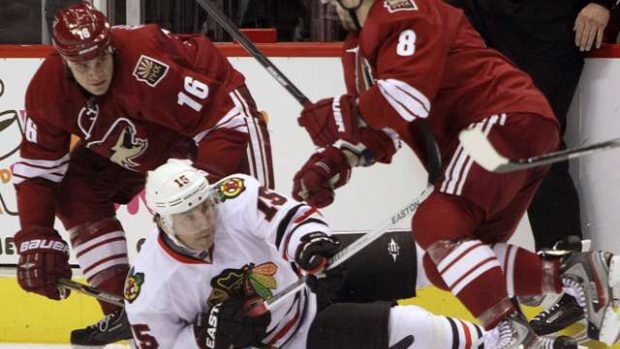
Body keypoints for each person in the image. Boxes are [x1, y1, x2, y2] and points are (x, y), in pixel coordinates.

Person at [292, 0, 620, 347]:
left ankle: (510, 334)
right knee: (449, 260)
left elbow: (407, 98)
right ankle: (576, 275)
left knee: (435, 225)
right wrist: (332, 163)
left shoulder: (404, 10)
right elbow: (383, 130)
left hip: (498, 117)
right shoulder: (356, 48)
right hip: (512, 126)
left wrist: (344, 114)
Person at [12, 2, 273, 347]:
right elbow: (38, 170)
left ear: (110, 48)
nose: (94, 74)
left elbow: (224, 124)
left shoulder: (146, 66)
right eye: (82, 65)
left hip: (215, 116)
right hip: (143, 133)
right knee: (76, 188)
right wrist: (35, 235)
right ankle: (125, 309)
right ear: (63, 61)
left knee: (232, 209)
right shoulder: (47, 92)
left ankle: (263, 301)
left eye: (100, 59)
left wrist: (197, 188)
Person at [125, 158, 501, 349]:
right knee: (416, 328)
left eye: (204, 206)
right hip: (292, 338)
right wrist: (205, 338)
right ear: (162, 221)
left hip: (311, 275)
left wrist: (307, 243)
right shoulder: (148, 289)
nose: (204, 220)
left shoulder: (230, 197)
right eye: (188, 216)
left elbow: (287, 219)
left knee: (427, 254)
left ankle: (531, 292)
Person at [444, 0, 615, 335]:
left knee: (538, 147)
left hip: (551, 23)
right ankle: (494, 285)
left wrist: (601, 2)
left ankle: (574, 285)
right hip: (483, 15)